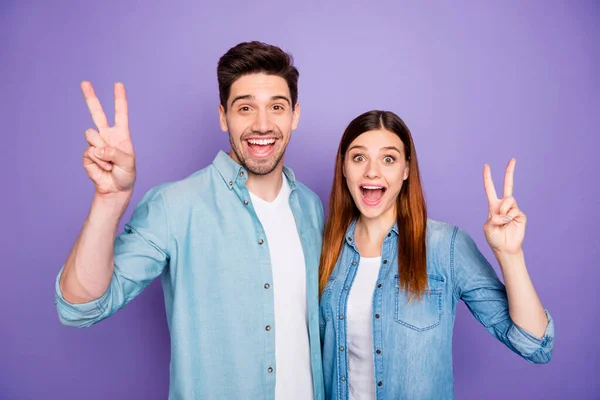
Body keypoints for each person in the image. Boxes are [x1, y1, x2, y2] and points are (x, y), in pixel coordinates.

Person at [55, 41, 325, 400]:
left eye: (277, 107)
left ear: (295, 115)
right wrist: (109, 200)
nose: (263, 124)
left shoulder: (310, 206)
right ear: (222, 116)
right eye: (245, 108)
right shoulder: (175, 206)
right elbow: (80, 307)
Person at [318, 110, 554, 400]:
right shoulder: (324, 250)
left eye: (388, 159)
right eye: (358, 157)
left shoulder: (446, 246)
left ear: (406, 170)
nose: (372, 172)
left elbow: (535, 344)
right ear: (343, 167)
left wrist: (510, 253)